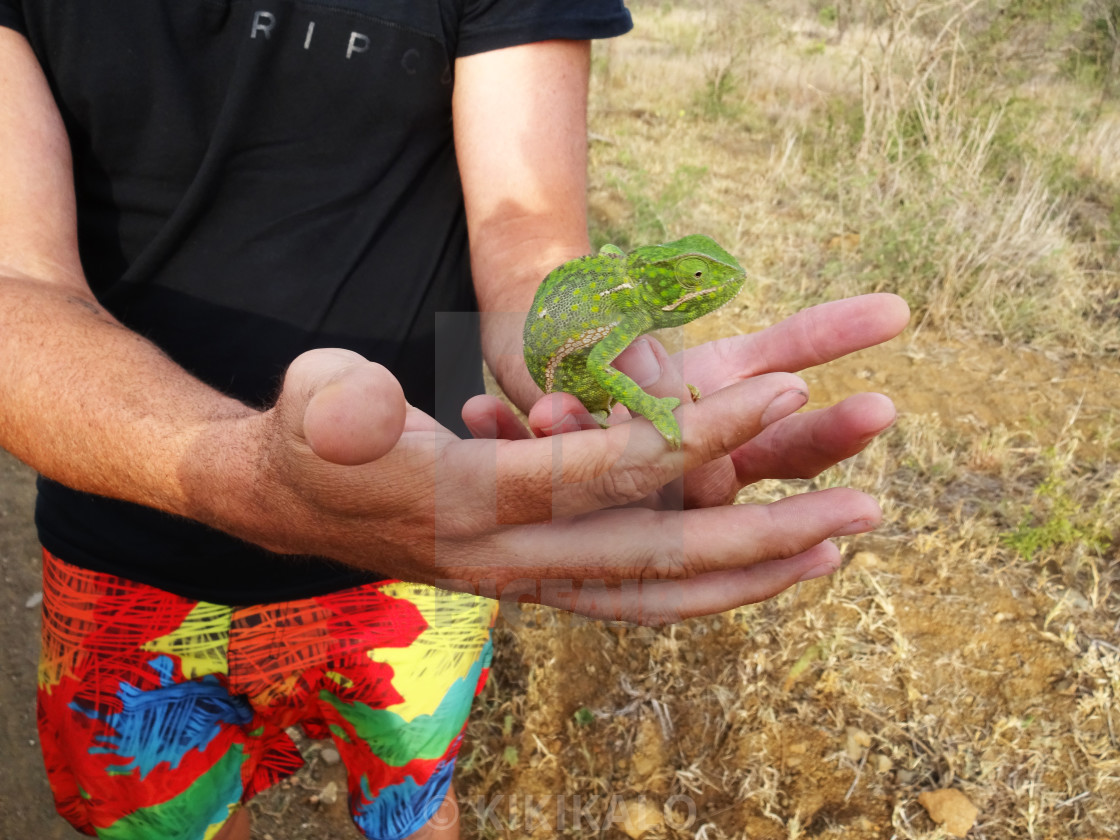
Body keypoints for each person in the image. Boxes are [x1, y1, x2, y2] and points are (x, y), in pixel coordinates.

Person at [0, 0, 909, 838]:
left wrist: (579, 394)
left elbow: (528, 230)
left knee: (417, 795)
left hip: (430, 507)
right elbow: (16, 288)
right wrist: (230, 470)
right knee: (175, 815)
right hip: (127, 536)